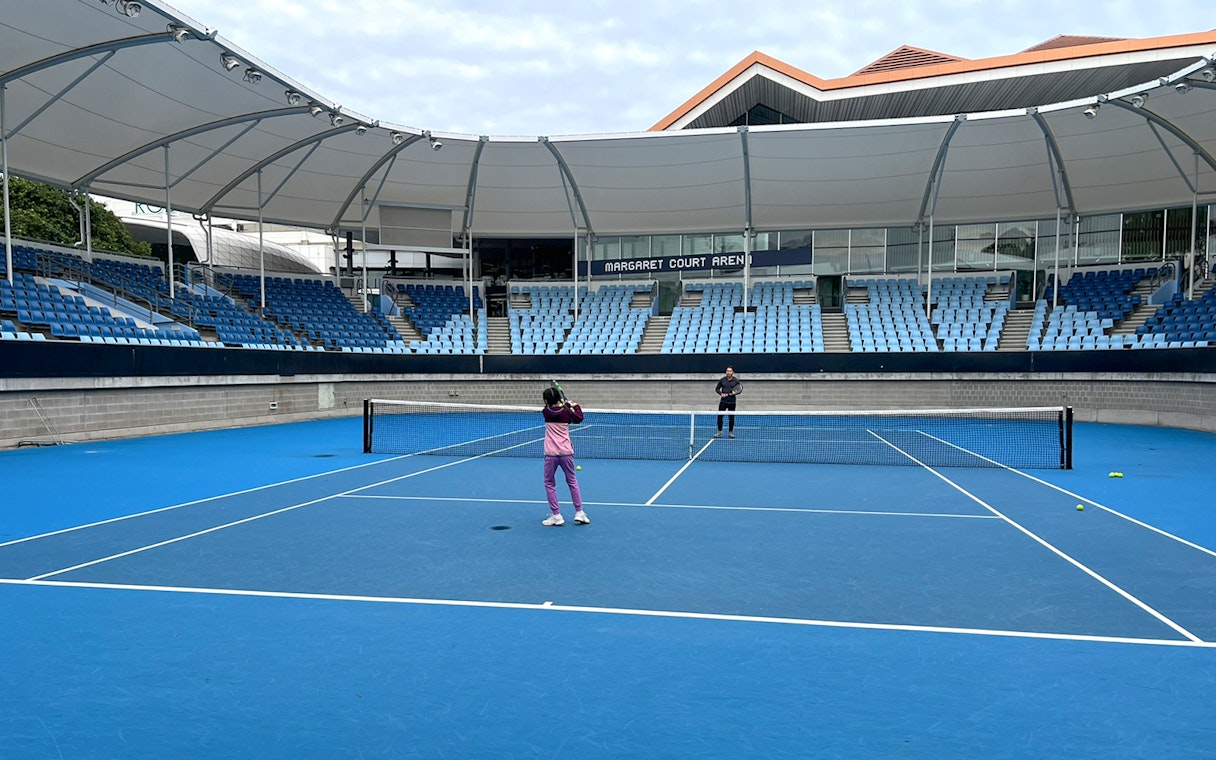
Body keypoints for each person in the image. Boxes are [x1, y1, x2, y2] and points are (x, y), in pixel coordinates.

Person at [541, 386, 589, 526]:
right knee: (572, 481)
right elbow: (579, 418)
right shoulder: (566, 413)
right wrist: (575, 406)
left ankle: (556, 516)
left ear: (546, 400)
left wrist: (567, 405)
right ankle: (579, 512)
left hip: (551, 454)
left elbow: (554, 410)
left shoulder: (545, 412)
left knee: (549, 483)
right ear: (559, 399)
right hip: (566, 453)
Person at [714, 366, 742, 438]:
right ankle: (719, 432)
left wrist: (734, 393)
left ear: (732, 372)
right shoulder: (722, 380)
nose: (728, 372)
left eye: (730, 371)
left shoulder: (736, 381)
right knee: (720, 416)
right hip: (723, 401)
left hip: (732, 402)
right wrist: (721, 394)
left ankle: (731, 432)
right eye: (727, 371)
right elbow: (717, 389)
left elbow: (739, 390)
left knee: (731, 417)